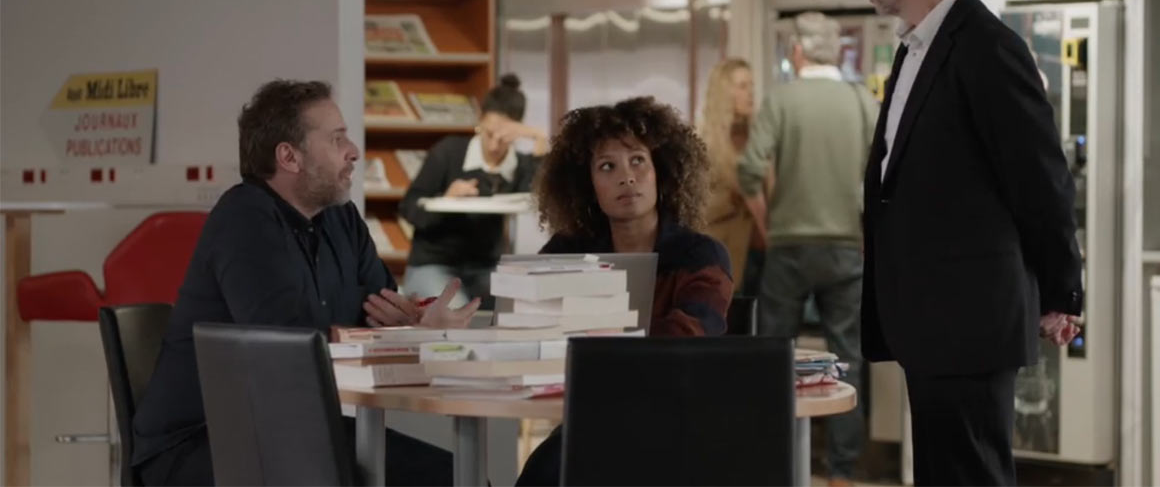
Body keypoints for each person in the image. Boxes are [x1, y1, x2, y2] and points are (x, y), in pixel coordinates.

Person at [836, 0, 1083, 485]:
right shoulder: (916, 47)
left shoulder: (986, 49)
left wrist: (1061, 292)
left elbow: (1041, 180)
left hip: (968, 320)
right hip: (931, 318)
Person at [132, 80, 479, 486]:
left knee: (459, 478)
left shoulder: (342, 219)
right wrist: (377, 328)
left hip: (288, 429)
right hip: (201, 442)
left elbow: (383, 310)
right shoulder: (243, 218)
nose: (353, 151)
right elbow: (288, 347)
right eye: (337, 139)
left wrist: (415, 328)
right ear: (289, 157)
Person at [515, 96, 734, 486]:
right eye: (607, 166)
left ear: (661, 171)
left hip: (678, 419)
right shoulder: (570, 250)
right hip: (593, 414)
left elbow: (688, 339)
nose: (626, 177)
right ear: (587, 185)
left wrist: (597, 346)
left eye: (638, 161)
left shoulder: (700, 254)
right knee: (542, 474)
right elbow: (528, 322)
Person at [737, 12, 877, 486]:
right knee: (847, 358)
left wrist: (767, 223)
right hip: (846, 249)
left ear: (797, 51)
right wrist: (866, 230)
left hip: (789, 248)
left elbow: (749, 170)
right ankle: (842, 472)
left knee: (775, 355)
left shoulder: (782, 99)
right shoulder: (861, 101)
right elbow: (883, 174)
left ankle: (769, 462)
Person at [401, 74, 548, 309]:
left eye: (504, 138)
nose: (494, 145)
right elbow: (408, 207)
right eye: (488, 133)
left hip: (484, 268)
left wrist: (539, 139)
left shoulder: (520, 165)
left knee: (520, 307)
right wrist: (446, 200)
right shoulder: (449, 152)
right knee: (456, 311)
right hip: (433, 264)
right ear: (480, 122)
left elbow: (536, 200)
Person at [699, 57, 767, 294]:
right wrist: (734, 198)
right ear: (724, 93)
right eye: (742, 86)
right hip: (725, 255)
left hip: (765, 252)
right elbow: (696, 207)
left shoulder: (761, 138)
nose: (751, 93)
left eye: (752, 86)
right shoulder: (703, 142)